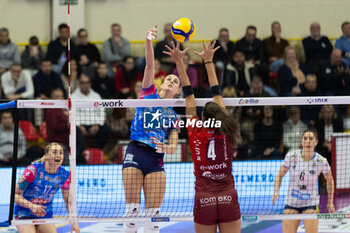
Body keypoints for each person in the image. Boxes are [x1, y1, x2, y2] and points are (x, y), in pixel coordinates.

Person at [164, 40, 241, 233]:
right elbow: (217, 93)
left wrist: (179, 62)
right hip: (227, 197)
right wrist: (209, 61)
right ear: (221, 115)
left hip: (203, 197)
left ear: (203, 117)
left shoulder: (195, 129)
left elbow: (188, 95)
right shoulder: (228, 129)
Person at [122, 26, 180, 233]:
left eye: (175, 82)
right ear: (162, 83)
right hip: (135, 152)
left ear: (177, 91)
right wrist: (148, 41)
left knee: (153, 220)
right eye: (169, 79)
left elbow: (173, 146)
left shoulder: (174, 117)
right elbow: (149, 66)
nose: (171, 82)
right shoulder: (148, 94)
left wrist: (166, 146)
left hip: (156, 158)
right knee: (132, 214)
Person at [272, 129, 335, 233]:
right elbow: (280, 175)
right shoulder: (291, 156)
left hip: (310, 202)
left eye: (311, 139)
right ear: (302, 142)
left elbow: (330, 180)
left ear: (316, 142)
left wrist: (330, 202)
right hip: (292, 202)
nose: (308, 141)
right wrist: (275, 192)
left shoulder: (321, 161)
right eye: (305, 138)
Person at [14, 142, 80, 233]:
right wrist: (32, 206)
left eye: (61, 153)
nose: (58, 155)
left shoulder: (64, 175)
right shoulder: (33, 171)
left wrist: (74, 222)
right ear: (47, 155)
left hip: (44, 214)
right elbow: (14, 195)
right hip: (24, 212)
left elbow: (67, 201)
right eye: (55, 152)